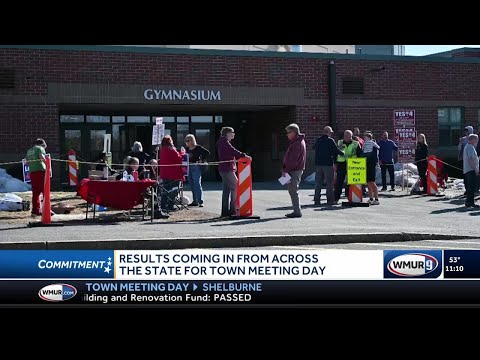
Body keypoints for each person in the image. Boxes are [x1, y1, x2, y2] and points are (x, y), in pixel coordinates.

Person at [217, 127, 251, 217]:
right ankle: (232, 210)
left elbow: (229, 153)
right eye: (232, 132)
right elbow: (232, 151)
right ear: (227, 133)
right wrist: (244, 155)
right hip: (227, 169)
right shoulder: (224, 141)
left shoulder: (223, 141)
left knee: (226, 190)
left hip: (225, 169)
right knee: (236, 186)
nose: (234, 134)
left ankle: (225, 211)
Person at [313, 126, 344, 206]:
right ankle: (330, 200)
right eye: (331, 133)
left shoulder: (318, 140)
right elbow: (336, 150)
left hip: (318, 164)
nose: (331, 134)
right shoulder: (330, 140)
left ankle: (317, 200)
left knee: (318, 183)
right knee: (329, 183)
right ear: (328, 132)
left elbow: (314, 147)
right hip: (327, 164)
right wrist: (343, 153)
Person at [282, 123, 306, 218]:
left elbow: (293, 160)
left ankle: (297, 211)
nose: (287, 134)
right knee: (293, 190)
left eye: (289, 132)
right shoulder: (297, 142)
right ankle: (296, 210)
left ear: (294, 132)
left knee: (293, 190)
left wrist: (285, 170)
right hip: (295, 169)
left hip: (294, 170)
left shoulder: (296, 143)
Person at [334, 130, 363, 204]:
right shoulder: (339, 142)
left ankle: (349, 197)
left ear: (351, 136)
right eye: (345, 135)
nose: (345, 137)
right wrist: (335, 164)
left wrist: (359, 164)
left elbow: (360, 154)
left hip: (352, 164)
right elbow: (335, 154)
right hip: (341, 163)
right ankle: (336, 198)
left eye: (347, 136)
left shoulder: (356, 144)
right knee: (339, 182)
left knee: (351, 182)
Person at [159, 135, 184, 212]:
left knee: (165, 190)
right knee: (174, 190)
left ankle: (163, 205)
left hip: (165, 173)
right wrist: (182, 153)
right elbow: (178, 159)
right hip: (173, 174)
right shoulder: (171, 149)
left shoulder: (162, 150)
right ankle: (170, 205)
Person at [184, 134, 210, 207]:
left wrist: (202, 160)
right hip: (189, 166)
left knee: (197, 183)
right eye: (185, 141)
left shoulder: (198, 148)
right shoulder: (186, 149)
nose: (186, 142)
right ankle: (195, 200)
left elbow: (207, 153)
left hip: (196, 166)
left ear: (192, 140)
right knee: (191, 184)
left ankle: (200, 201)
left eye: (188, 140)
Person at [26, 138, 47, 216]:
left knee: (35, 193)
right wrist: (48, 165)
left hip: (32, 172)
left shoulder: (29, 151)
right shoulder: (40, 148)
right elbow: (42, 156)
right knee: (44, 191)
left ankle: (35, 210)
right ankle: (47, 210)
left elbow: (27, 162)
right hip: (40, 171)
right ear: (42, 144)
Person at [362, 132, 380, 205]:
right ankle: (371, 198)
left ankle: (376, 199)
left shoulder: (373, 145)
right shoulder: (364, 144)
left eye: (365, 137)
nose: (364, 138)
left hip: (371, 165)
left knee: (372, 182)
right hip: (367, 164)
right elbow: (362, 149)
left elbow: (378, 148)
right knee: (368, 183)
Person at [463, 134, 479, 208]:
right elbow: (471, 159)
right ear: (472, 140)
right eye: (476, 139)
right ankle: (470, 202)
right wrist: (475, 169)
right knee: (471, 187)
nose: (477, 140)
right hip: (471, 169)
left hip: (468, 169)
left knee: (470, 187)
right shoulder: (470, 147)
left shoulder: (468, 146)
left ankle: (468, 202)